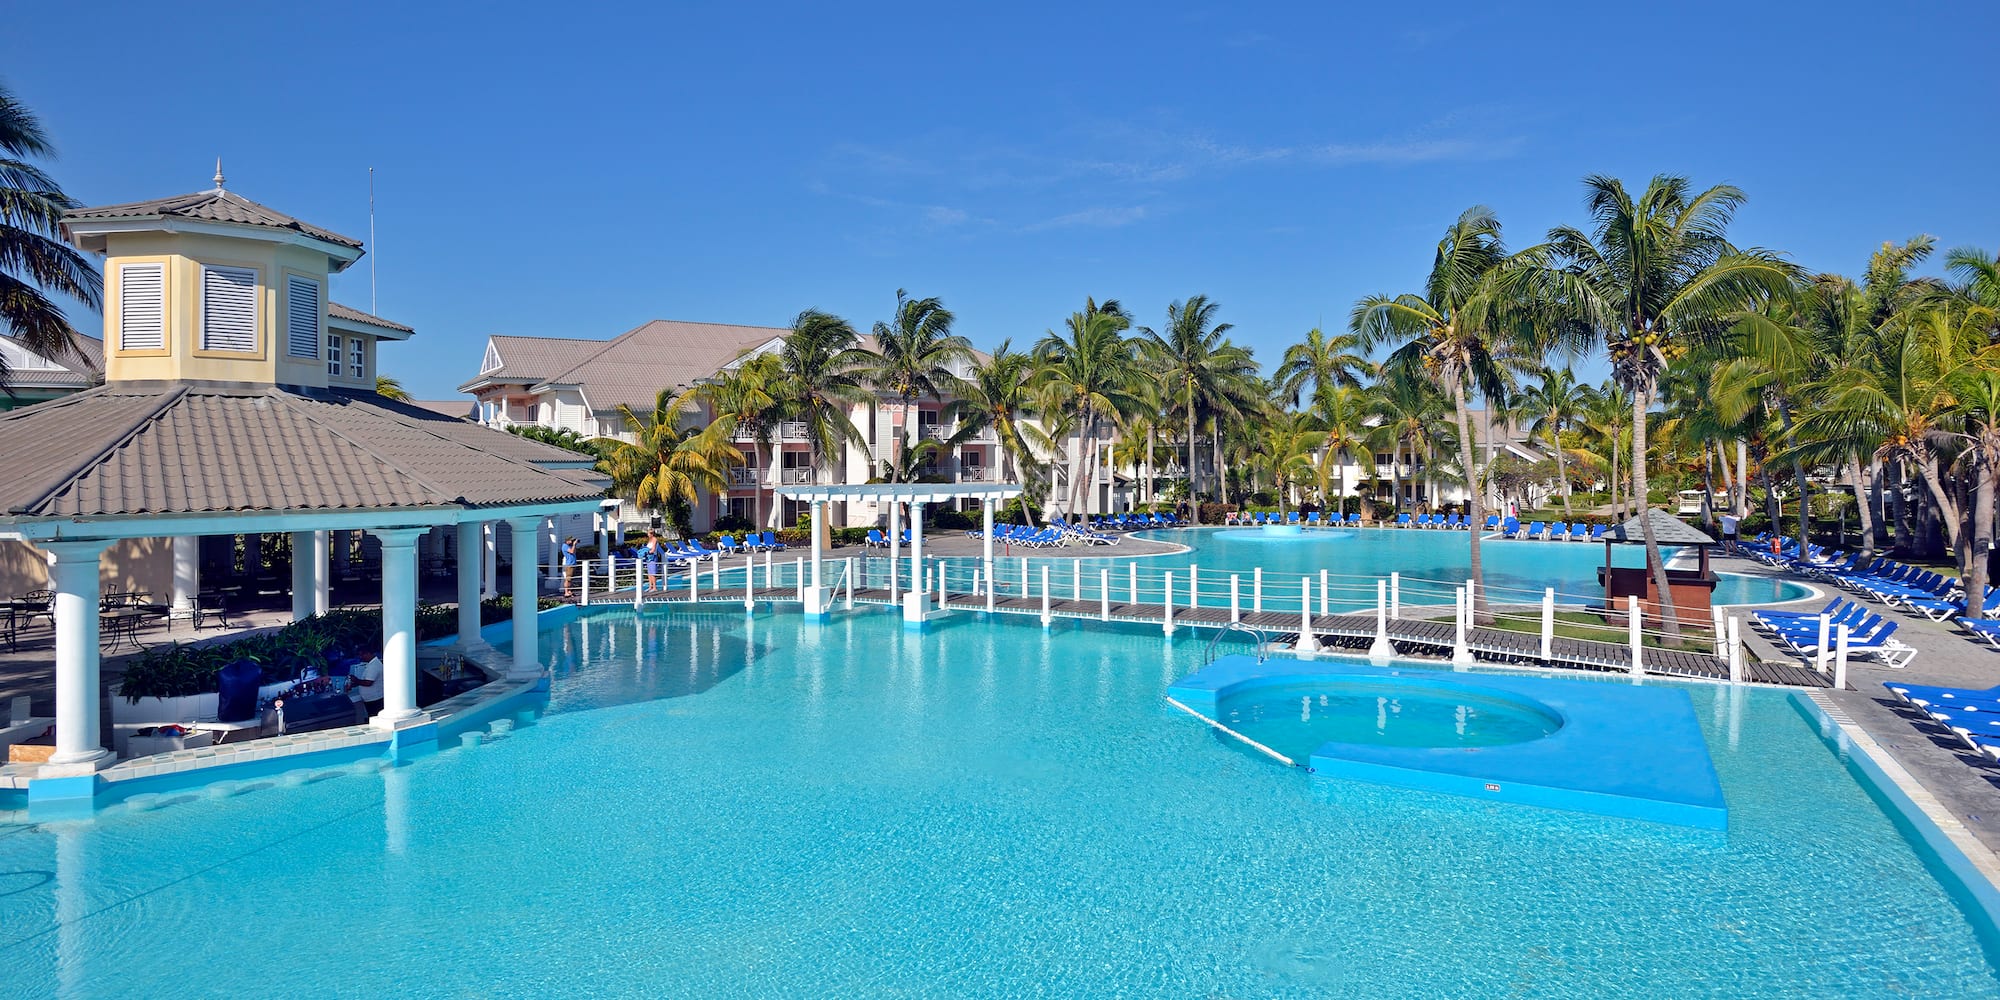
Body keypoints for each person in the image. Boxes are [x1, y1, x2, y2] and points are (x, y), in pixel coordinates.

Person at [347, 654, 384, 721]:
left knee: (374, 719)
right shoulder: (372, 664)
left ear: (368, 653)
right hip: (372, 699)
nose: (360, 657)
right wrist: (353, 684)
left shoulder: (374, 666)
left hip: (375, 700)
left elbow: (368, 683)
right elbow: (366, 680)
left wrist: (356, 680)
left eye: (362, 655)